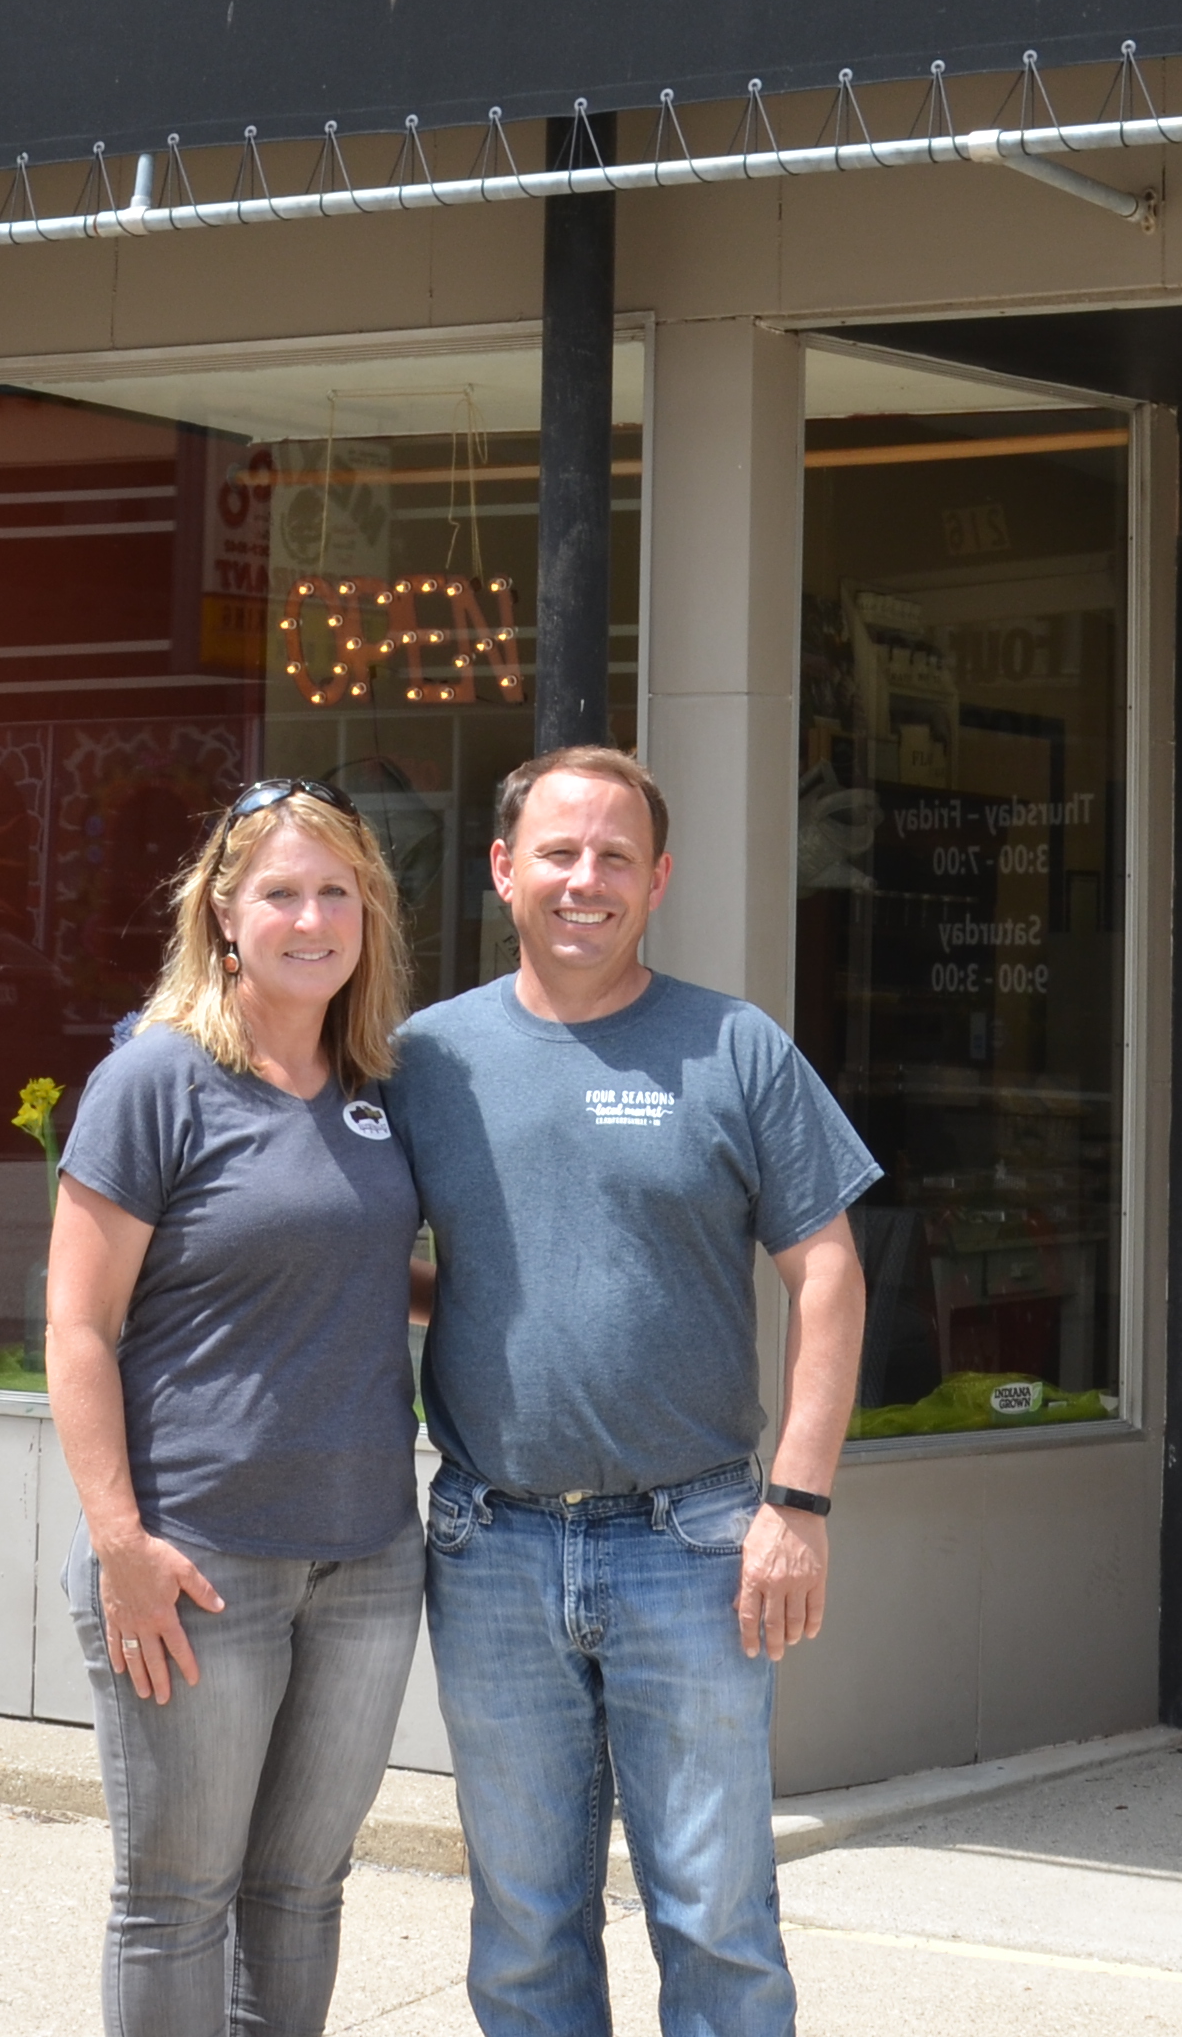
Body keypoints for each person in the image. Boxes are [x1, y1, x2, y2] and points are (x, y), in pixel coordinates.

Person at [394, 746, 877, 2037]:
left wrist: (801, 1499)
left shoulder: (735, 1047)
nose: (584, 880)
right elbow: (366, 1256)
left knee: (717, 1922)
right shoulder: (426, 1062)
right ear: (504, 870)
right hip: (491, 1543)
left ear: (659, 879)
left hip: (698, 1544)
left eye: (615, 856)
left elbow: (826, 1273)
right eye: (557, 852)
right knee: (522, 1929)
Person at [45, 777, 431, 2037]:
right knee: (175, 1899)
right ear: (222, 914)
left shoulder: (379, 1086)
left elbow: (363, 1268)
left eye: (336, 893)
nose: (309, 918)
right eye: (280, 893)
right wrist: (119, 1544)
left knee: (303, 1891)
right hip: (197, 1556)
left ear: (367, 917)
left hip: (366, 1553)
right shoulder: (156, 1081)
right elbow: (77, 1326)